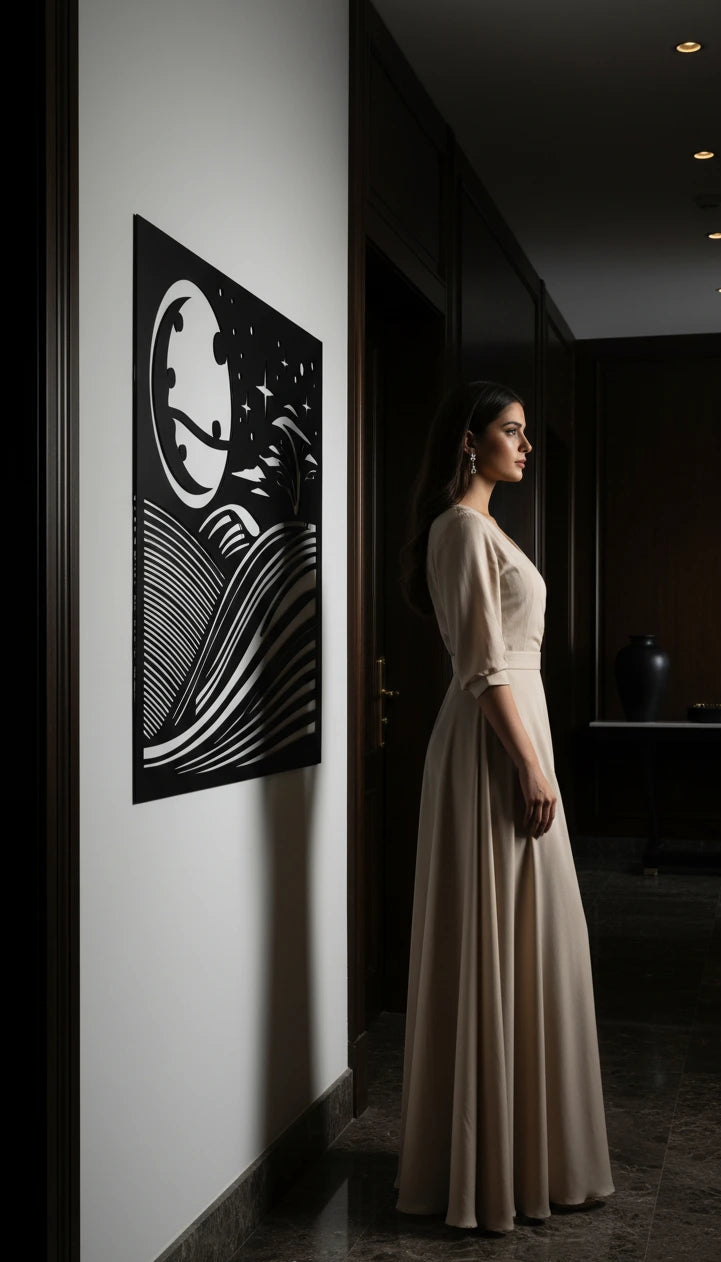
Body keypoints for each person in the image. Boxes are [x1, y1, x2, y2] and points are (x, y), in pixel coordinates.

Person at [395, 380, 615, 1233]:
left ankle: (525, 1153)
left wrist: (533, 756)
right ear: (468, 440)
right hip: (494, 748)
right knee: (502, 935)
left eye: (525, 433)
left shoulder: (484, 530)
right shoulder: (457, 529)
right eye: (511, 431)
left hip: (518, 739)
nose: (524, 446)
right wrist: (528, 766)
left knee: (540, 937)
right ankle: (487, 1166)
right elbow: (483, 667)